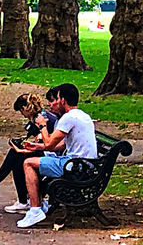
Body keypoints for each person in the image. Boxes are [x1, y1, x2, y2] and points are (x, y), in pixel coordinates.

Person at [17, 83, 97, 229]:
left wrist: (42, 125)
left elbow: (50, 145)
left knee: (28, 163)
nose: (53, 102)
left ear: (63, 100)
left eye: (57, 98)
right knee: (35, 159)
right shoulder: (82, 115)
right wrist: (37, 146)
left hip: (74, 166)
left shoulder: (68, 118)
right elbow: (63, 145)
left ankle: (35, 209)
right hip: (84, 164)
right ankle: (40, 203)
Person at [0, 90, 58, 209]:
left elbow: (44, 140)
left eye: (21, 111)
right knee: (16, 157)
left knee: (16, 156)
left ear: (25, 108)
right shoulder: (37, 117)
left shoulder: (42, 119)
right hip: (48, 150)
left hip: (52, 154)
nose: (22, 114)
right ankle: (19, 199)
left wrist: (24, 147)